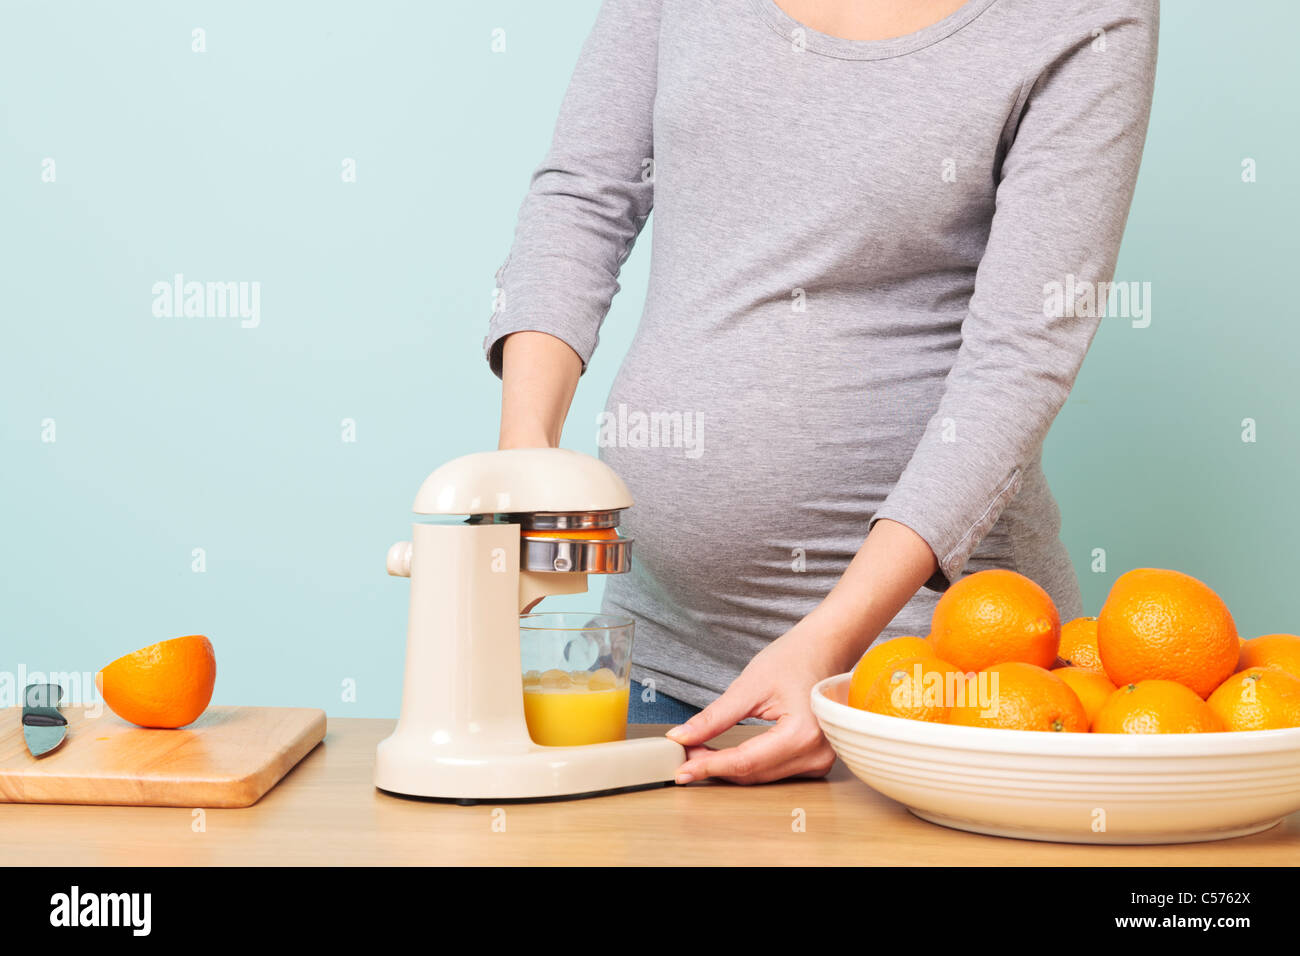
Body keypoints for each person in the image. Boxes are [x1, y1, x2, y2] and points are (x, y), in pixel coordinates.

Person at [485, 0, 1159, 785]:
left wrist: (834, 646)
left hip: (928, 687)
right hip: (652, 666)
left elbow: (1020, 357)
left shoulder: (1082, 14)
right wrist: (523, 461)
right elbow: (583, 198)